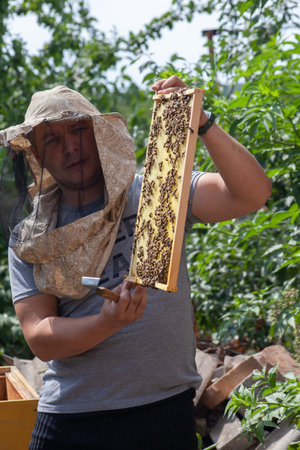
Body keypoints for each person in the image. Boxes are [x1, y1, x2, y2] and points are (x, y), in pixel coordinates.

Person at [0, 75, 272, 450]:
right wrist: (106, 322)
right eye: (52, 139)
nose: (70, 147)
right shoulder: (35, 238)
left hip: (166, 413)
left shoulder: (156, 193)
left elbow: (251, 195)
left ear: (99, 133)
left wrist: (201, 120)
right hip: (73, 420)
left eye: (78, 130)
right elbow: (40, 337)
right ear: (35, 154)